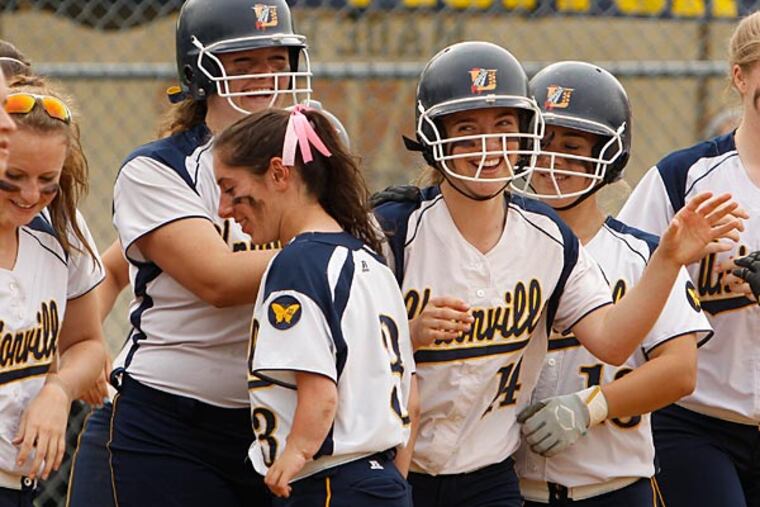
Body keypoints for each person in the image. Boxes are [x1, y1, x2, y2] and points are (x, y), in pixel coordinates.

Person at [371, 41, 742, 507]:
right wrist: (407, 334)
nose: (490, 147)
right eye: (468, 130)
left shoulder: (566, 241)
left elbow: (631, 348)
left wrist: (666, 261)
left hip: (538, 477)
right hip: (427, 464)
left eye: (503, 128)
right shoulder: (394, 227)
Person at [81, 0, 312, 506]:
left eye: (277, 61)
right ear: (200, 71)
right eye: (245, 63)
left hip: (270, 426)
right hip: (164, 426)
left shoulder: (307, 157)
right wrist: (87, 345)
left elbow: (119, 264)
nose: (266, 76)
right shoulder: (160, 168)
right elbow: (217, 280)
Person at [512, 61, 715, 506]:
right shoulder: (497, 245)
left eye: (573, 146)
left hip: (614, 488)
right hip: (507, 489)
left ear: (608, 154)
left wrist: (591, 407)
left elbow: (679, 372)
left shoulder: (645, 255)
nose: (553, 160)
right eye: (541, 143)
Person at [213, 106, 415, 506]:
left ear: (278, 173)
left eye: (230, 188)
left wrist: (297, 451)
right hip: (381, 480)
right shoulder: (371, 261)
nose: (223, 208)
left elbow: (320, 391)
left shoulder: (297, 263)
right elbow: (412, 399)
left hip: (327, 482)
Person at [617, 11, 760, 507]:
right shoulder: (685, 176)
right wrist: (682, 274)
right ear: (741, 77)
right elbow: (619, 285)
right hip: (697, 420)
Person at [0, 73, 106, 506]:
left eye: (48, 180)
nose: (30, 195)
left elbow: (89, 343)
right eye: (13, 177)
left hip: (20, 481)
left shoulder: (59, 228)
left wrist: (58, 390)